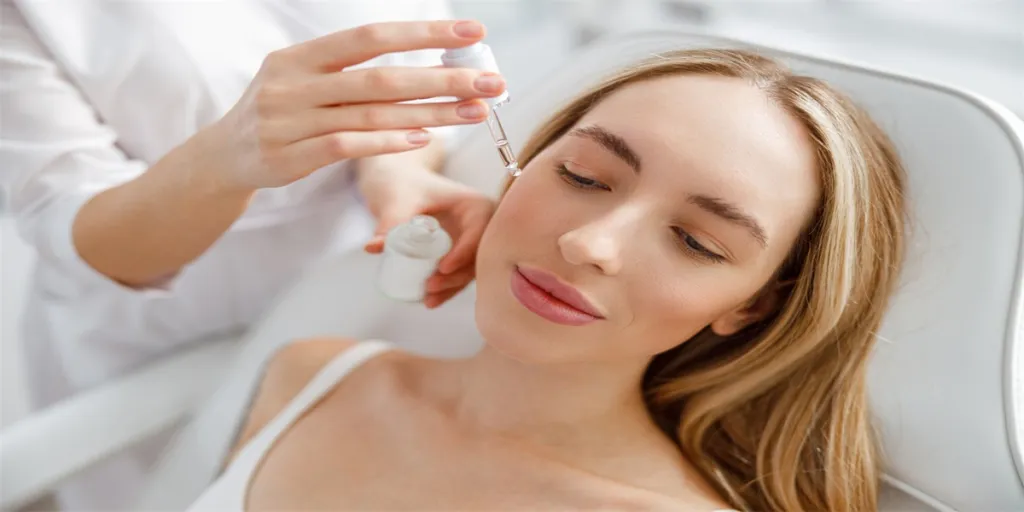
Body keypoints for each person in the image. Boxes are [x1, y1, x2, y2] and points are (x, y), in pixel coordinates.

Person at [185, 48, 908, 511]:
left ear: (751, 309)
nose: (590, 243)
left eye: (694, 241)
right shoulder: (314, 376)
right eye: (582, 176)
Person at [1, 0, 504, 509]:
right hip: (152, 320)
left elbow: (409, 75)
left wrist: (397, 169)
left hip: (352, 277)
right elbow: (65, 209)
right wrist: (224, 160)